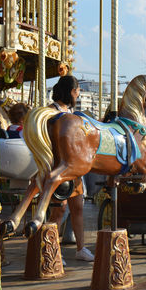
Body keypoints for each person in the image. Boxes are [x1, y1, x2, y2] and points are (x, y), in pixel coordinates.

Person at [47, 75, 95, 262]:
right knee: (59, 210)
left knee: (78, 207)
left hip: (73, 166)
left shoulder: (71, 112)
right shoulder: (52, 112)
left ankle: (81, 248)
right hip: (58, 165)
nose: (78, 95)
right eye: (76, 91)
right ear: (70, 92)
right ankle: (51, 249)